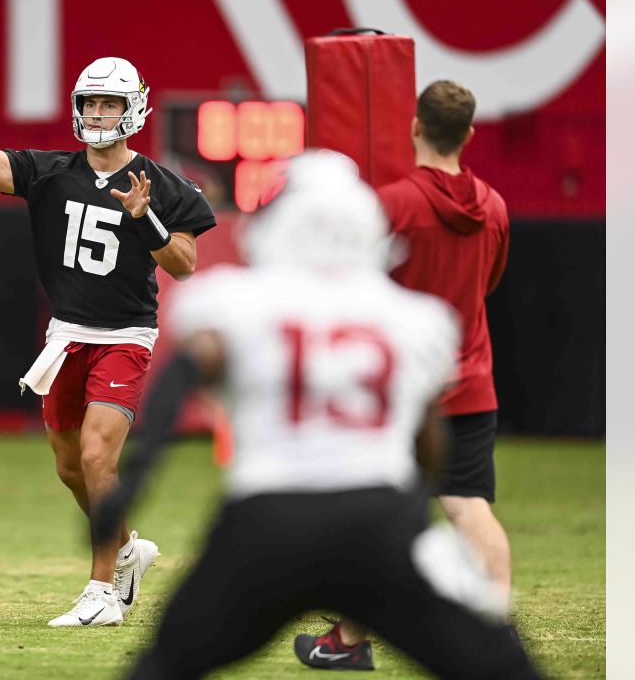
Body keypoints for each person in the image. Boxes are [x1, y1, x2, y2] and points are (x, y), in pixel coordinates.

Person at [93, 151, 541, 679]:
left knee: (164, 665)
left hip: (266, 520)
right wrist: (410, 523)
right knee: (499, 666)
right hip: (378, 523)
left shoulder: (235, 301)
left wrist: (139, 476)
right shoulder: (414, 319)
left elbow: (191, 367)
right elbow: (426, 439)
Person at [0, 56, 216, 626]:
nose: (97, 112)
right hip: (65, 336)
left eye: (109, 103)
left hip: (126, 336)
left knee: (97, 454)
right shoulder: (50, 171)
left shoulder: (162, 185)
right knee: (70, 465)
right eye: (90, 102)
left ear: (132, 108)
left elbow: (184, 264)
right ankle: (128, 550)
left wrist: (146, 220)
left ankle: (102, 591)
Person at [294, 80, 514, 668]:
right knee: (469, 504)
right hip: (470, 381)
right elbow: (489, 283)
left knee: (371, 511)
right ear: (468, 134)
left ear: (415, 127)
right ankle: (499, 630)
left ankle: (348, 641)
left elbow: (356, 288)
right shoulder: (493, 205)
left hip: (401, 388)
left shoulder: (390, 204)